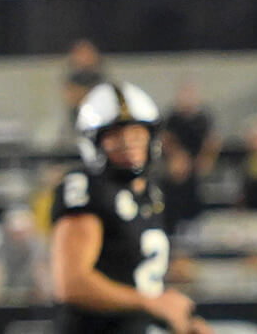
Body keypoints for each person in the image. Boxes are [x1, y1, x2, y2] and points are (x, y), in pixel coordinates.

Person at [51, 82, 213, 333]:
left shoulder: (150, 192)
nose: (128, 143)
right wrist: (152, 303)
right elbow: (72, 283)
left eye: (136, 133)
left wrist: (178, 319)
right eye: (115, 136)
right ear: (94, 141)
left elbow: (137, 281)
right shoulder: (87, 187)